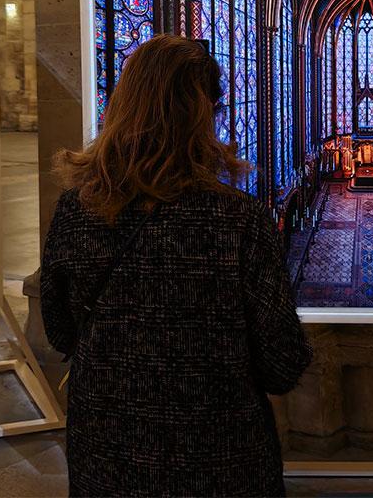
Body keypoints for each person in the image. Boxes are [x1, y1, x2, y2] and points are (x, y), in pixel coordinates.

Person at [42, 34, 312, 497]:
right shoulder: (241, 222)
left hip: (109, 454)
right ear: (205, 114)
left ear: (122, 106)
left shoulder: (74, 211)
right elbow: (282, 365)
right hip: (222, 462)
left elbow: (60, 332)